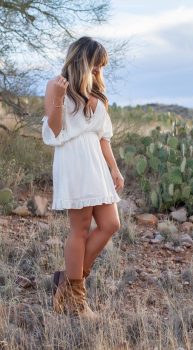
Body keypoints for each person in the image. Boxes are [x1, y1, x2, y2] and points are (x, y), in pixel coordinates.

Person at [41, 36, 124, 319]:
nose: (100, 71)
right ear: (82, 60)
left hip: (96, 163)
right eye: (96, 65)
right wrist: (61, 100)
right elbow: (54, 131)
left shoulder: (97, 93)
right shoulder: (56, 85)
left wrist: (114, 168)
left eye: (102, 66)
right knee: (79, 229)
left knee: (111, 223)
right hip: (74, 162)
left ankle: (65, 283)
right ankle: (77, 300)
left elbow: (102, 138)